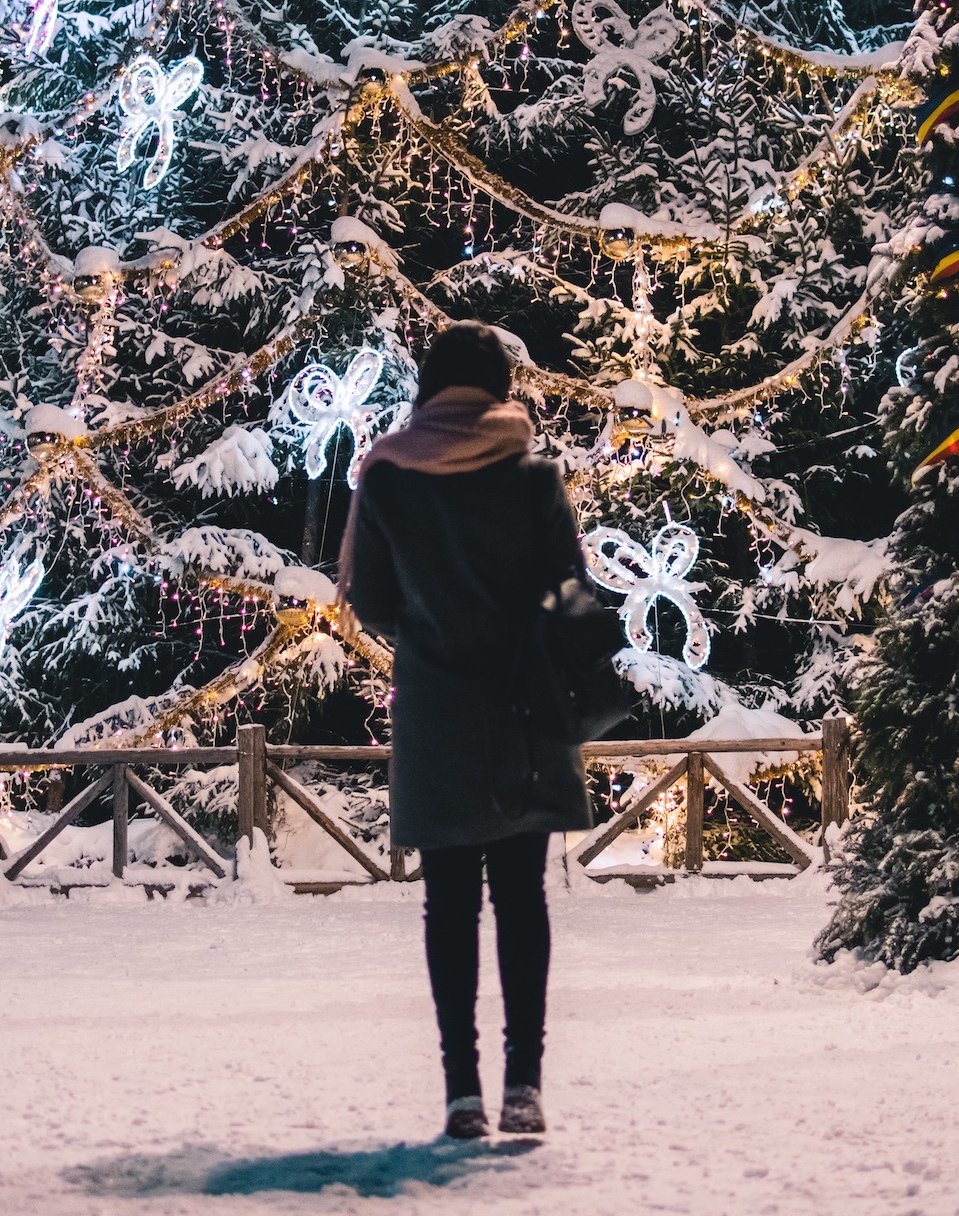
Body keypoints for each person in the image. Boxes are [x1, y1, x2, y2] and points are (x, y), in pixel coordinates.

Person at [338, 322, 592, 1140]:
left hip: (438, 710)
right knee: (521, 898)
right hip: (525, 710)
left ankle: (461, 1093)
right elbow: (570, 593)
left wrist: (431, 619)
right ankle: (524, 1084)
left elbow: (370, 601)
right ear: (498, 387)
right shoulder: (535, 478)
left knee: (448, 904)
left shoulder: (387, 479)